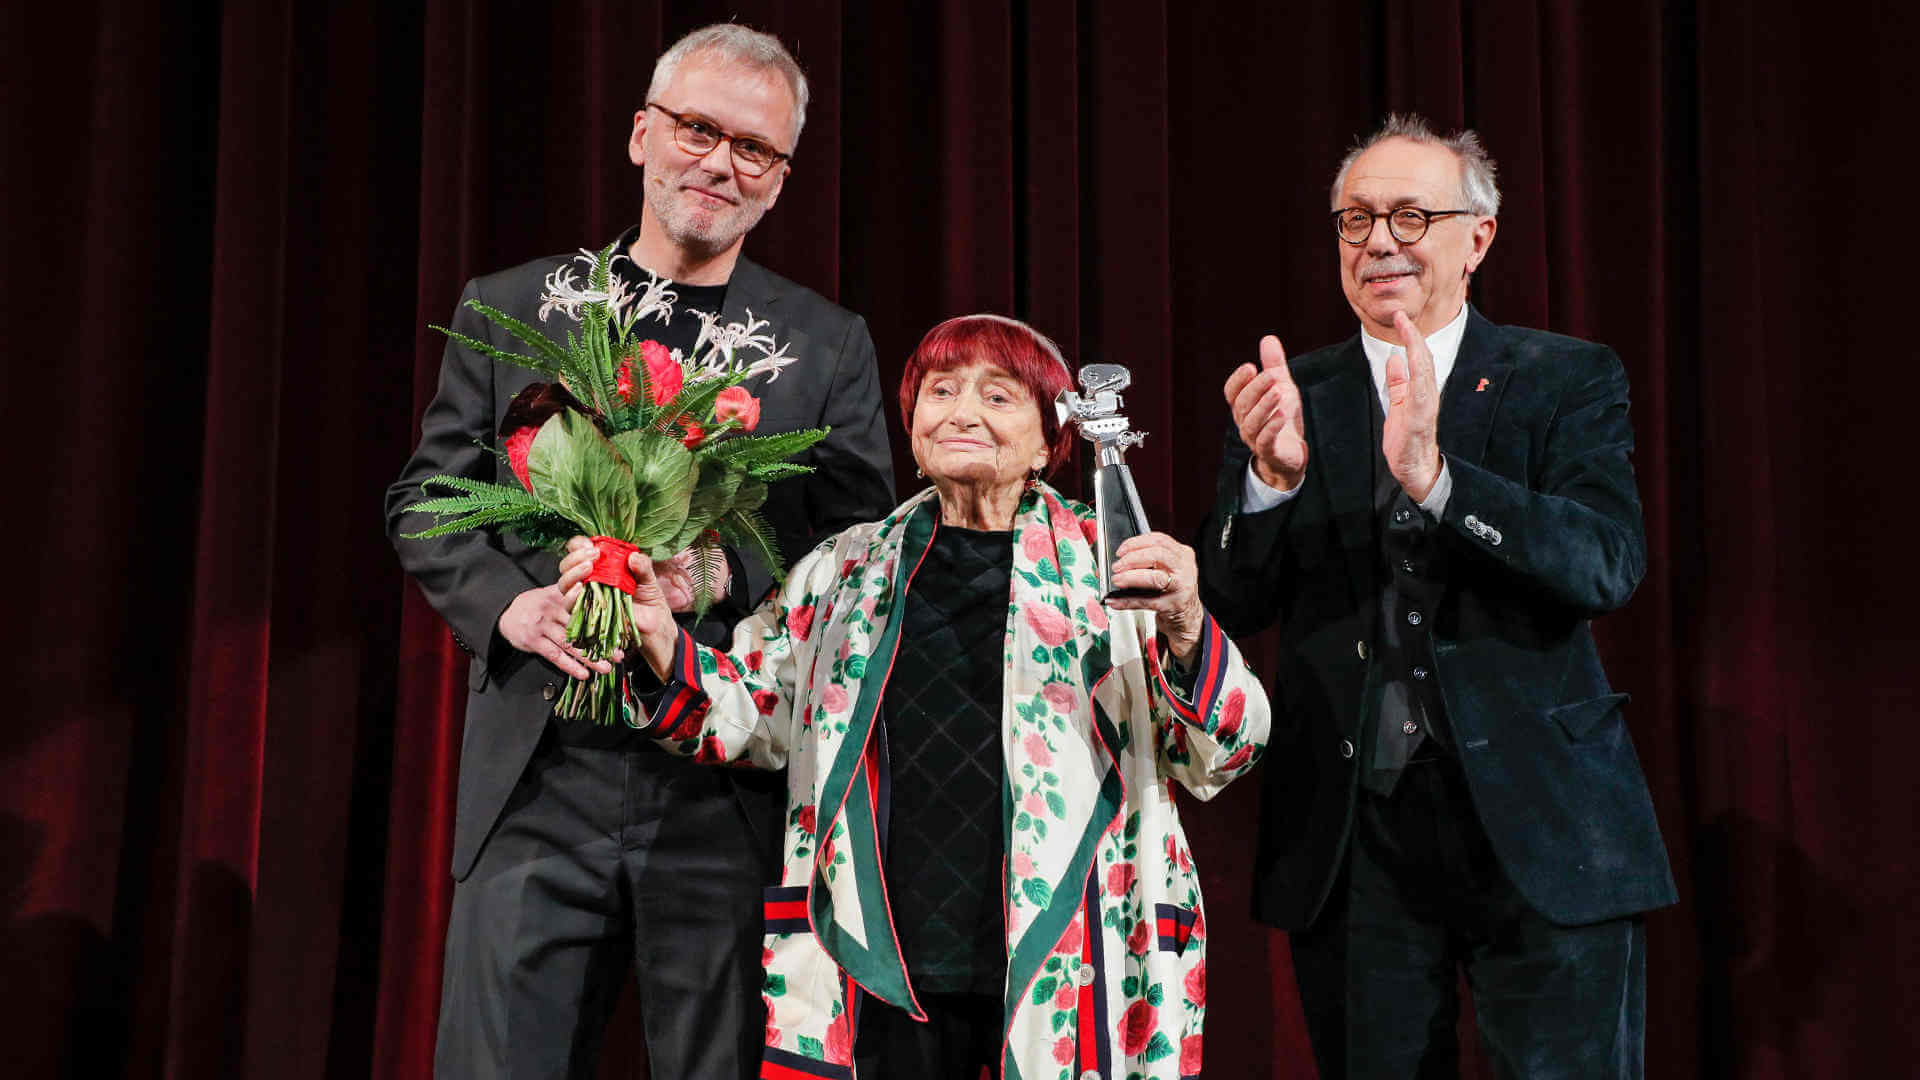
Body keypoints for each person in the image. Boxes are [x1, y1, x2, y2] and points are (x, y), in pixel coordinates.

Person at [384, 24, 894, 1080]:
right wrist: (507, 609)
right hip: (538, 773)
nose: (719, 162)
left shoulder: (823, 342)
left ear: (780, 180)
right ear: (639, 136)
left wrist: (715, 574)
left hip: (722, 781)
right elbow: (428, 498)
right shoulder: (517, 303)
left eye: (754, 149)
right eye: (698, 129)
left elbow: (854, 540)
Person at [569, 314, 1269, 1080]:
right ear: (912, 425)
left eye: (997, 396)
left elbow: (1220, 754)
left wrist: (1186, 625)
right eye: (940, 391)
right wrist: (656, 636)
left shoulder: (1116, 567)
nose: (961, 411)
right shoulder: (842, 568)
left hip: (1072, 960)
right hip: (880, 969)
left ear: (1048, 442)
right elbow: (751, 714)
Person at [1196, 114, 1675, 1077]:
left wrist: (1440, 479)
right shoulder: (1297, 394)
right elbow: (1232, 605)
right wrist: (1271, 484)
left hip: (1545, 830)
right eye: (1356, 219)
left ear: (1479, 239)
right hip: (1352, 839)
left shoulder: (1565, 378)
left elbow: (1605, 564)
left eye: (1411, 217)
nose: (1379, 241)